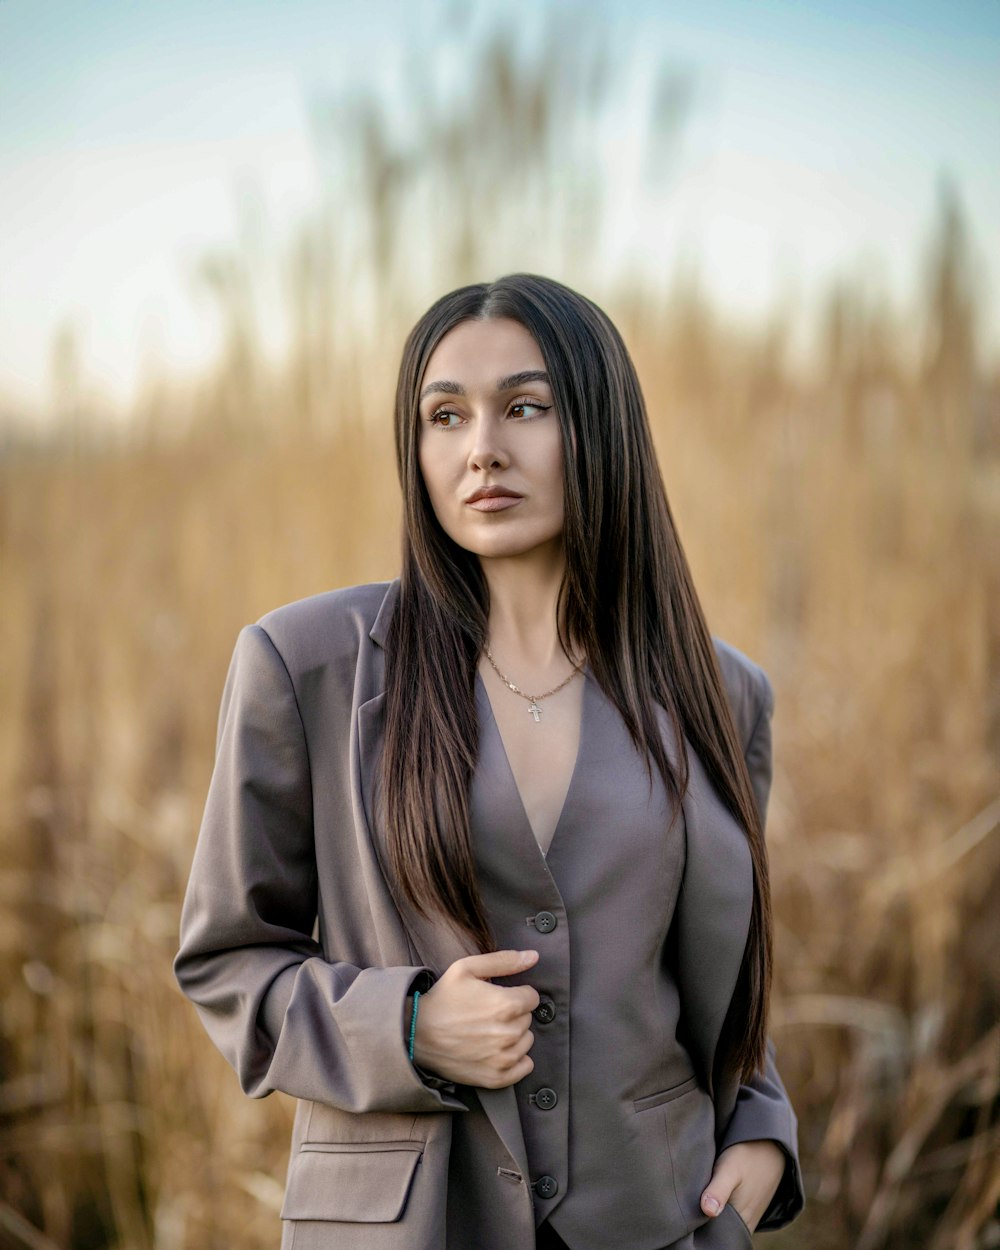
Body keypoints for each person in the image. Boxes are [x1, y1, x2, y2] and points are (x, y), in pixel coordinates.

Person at [173, 272, 805, 1249]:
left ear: (600, 426)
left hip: (658, 1221)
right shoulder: (305, 668)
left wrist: (762, 1132)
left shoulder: (722, 695)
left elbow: (720, 980)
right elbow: (225, 959)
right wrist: (409, 1025)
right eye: (444, 415)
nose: (481, 450)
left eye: (524, 406)